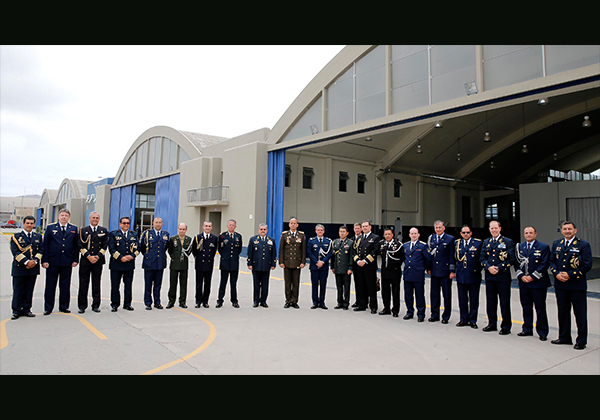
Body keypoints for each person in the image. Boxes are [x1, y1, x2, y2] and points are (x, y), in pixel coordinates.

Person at [549, 221, 592, 350]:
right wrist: (556, 273)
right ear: (561, 231)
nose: (567, 231)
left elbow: (587, 265)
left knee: (580, 314)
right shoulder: (557, 244)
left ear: (575, 230)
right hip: (560, 285)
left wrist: (570, 274)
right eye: (565, 229)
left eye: (570, 229)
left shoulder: (583, 245)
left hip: (576, 285)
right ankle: (564, 337)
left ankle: (581, 341)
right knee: (562, 312)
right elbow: (552, 261)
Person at [515, 226, 551, 341]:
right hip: (524, 282)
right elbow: (516, 263)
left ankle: (542, 331)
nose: (528, 235)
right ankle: (527, 329)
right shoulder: (520, 247)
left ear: (535, 234)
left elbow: (544, 264)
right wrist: (521, 276)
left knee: (540, 308)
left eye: (531, 233)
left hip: (538, 283)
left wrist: (532, 277)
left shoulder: (543, 247)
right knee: (526, 306)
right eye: (526, 233)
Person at [480, 220, 515, 335]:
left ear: (500, 228)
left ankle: (505, 326)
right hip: (490, 276)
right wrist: (488, 267)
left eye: (496, 228)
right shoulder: (486, 242)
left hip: (503, 276)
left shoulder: (507, 241)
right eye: (491, 228)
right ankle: (491, 324)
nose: (494, 230)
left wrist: (499, 268)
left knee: (504, 302)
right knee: (491, 302)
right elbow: (482, 258)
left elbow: (511, 259)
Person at [42, 208, 79, 315]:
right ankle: (48, 307)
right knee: (50, 285)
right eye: (62, 215)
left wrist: (75, 259)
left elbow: (75, 246)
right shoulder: (50, 228)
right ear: (58, 217)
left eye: (66, 216)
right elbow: (45, 245)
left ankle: (64, 306)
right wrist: (45, 260)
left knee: (65, 285)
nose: (64, 217)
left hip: (67, 262)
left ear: (69, 217)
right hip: (52, 262)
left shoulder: (73, 229)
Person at [10, 215, 43, 320]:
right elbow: (15, 252)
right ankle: (16, 310)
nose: (29, 225)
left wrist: (35, 261)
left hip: (33, 268)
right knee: (18, 290)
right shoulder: (16, 237)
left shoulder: (38, 237)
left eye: (31, 223)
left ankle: (27, 309)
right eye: (27, 223)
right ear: (23, 224)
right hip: (20, 267)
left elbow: (41, 250)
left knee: (29, 289)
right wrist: (27, 262)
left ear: (34, 224)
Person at [77, 211, 109, 313]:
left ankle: (96, 305)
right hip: (86, 261)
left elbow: (105, 245)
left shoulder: (103, 230)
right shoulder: (83, 230)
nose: (95, 219)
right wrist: (88, 256)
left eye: (97, 218)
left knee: (96, 283)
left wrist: (98, 256)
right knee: (83, 284)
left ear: (99, 219)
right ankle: (82, 306)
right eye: (93, 217)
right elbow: (80, 245)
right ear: (89, 219)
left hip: (98, 261)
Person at [427, 220, 455, 324]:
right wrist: (428, 268)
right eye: (436, 228)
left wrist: (452, 270)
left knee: (446, 295)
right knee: (434, 294)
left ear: (444, 228)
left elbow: (452, 256)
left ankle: (446, 316)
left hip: (445, 272)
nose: (438, 229)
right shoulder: (432, 238)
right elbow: (429, 256)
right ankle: (435, 314)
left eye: (440, 227)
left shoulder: (450, 239)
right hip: (434, 271)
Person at [454, 225, 482, 329]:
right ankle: (463, 319)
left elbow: (481, 259)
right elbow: (455, 258)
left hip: (473, 275)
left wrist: (476, 270)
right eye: (463, 232)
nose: (466, 234)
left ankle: (473, 320)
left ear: (471, 233)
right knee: (462, 299)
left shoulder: (478, 243)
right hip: (461, 275)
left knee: (474, 299)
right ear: (461, 234)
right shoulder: (457, 243)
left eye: (467, 232)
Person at [108, 216, 139, 312]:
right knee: (115, 285)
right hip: (116, 264)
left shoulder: (134, 234)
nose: (126, 225)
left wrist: (132, 256)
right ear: (120, 224)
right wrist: (121, 257)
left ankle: (127, 304)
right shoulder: (113, 234)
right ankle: (115, 304)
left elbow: (138, 248)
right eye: (124, 223)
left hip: (129, 264)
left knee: (128, 285)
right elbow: (111, 248)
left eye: (128, 223)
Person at [139, 217, 170, 310]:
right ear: (153, 223)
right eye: (156, 222)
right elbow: (142, 247)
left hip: (160, 263)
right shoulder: (147, 233)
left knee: (158, 285)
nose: (158, 224)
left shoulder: (165, 234)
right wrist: (148, 256)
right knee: (148, 284)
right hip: (149, 263)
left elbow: (166, 247)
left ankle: (157, 302)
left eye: (160, 222)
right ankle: (148, 302)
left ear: (162, 223)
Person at [402, 227, 432, 322]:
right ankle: (409, 312)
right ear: (409, 235)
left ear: (418, 235)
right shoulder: (405, 246)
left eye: (415, 233)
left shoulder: (423, 246)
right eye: (412, 233)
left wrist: (426, 269)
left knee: (419, 295)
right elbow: (404, 258)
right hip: (407, 274)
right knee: (408, 295)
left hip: (418, 274)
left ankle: (421, 313)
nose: (413, 235)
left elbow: (428, 259)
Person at [352, 220, 380, 313]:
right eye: (363, 227)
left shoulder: (375, 238)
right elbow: (354, 251)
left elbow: (375, 251)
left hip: (369, 266)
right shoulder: (359, 238)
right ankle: (362, 305)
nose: (364, 228)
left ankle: (373, 306)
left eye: (366, 226)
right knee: (361, 286)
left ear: (370, 227)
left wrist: (365, 261)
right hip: (360, 266)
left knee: (371, 287)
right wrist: (358, 261)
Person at [279, 217, 306, 309]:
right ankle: (288, 300)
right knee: (287, 283)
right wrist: (281, 261)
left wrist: (303, 262)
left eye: (295, 223)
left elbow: (303, 250)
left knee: (295, 283)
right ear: (289, 224)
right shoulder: (285, 235)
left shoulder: (301, 235)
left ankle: (294, 301)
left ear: (297, 225)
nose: (293, 225)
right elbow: (281, 249)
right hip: (287, 262)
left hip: (297, 262)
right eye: (291, 223)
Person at [247, 223, 277, 307]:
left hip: (266, 266)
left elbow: (273, 253)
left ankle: (263, 301)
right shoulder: (253, 239)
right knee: (256, 284)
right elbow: (250, 252)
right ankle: (256, 300)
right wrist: (249, 263)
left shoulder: (271, 240)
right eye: (261, 229)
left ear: (267, 230)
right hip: (256, 266)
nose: (263, 231)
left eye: (264, 229)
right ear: (258, 230)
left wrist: (273, 263)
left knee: (265, 284)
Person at [191, 220, 218, 308]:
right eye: (206, 226)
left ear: (211, 228)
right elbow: (194, 250)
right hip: (199, 264)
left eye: (209, 226)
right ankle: (198, 301)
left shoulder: (214, 238)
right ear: (203, 227)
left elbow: (213, 251)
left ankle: (205, 301)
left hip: (209, 264)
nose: (207, 227)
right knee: (199, 283)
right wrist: (198, 258)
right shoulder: (198, 237)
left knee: (207, 284)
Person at [217, 219, 243, 308]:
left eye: (233, 225)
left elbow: (239, 250)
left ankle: (234, 301)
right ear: (227, 226)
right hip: (225, 263)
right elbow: (220, 249)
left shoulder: (238, 236)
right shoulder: (222, 236)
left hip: (234, 264)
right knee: (223, 283)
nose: (231, 226)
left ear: (235, 226)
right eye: (230, 225)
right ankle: (220, 300)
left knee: (233, 283)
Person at [379, 228, 404, 317]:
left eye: (389, 234)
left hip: (395, 272)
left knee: (395, 291)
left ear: (392, 235)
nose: (387, 236)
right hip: (385, 272)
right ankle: (386, 308)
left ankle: (395, 310)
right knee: (385, 291)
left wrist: (396, 266)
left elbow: (401, 258)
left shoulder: (398, 245)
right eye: (386, 234)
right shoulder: (381, 244)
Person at [166, 222, 193, 309]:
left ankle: (182, 302)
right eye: (180, 229)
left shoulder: (189, 239)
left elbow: (189, 252)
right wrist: (175, 257)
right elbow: (170, 250)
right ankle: (171, 301)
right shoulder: (173, 239)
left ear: (186, 230)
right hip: (174, 264)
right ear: (178, 229)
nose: (182, 231)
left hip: (184, 265)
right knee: (173, 284)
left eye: (183, 229)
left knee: (183, 284)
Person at [307, 224, 333, 309]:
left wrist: (323, 261)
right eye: (318, 230)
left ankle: (322, 302)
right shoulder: (311, 241)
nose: (320, 231)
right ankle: (315, 302)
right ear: (315, 231)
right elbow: (309, 253)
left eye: (321, 230)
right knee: (314, 284)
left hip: (324, 267)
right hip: (314, 267)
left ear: (324, 231)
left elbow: (329, 253)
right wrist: (316, 262)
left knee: (323, 284)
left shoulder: (328, 241)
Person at [331, 225, 354, 310]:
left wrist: (350, 268)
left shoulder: (350, 243)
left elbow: (351, 256)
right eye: (340, 231)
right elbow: (333, 256)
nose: (342, 233)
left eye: (344, 232)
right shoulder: (335, 242)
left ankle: (346, 303)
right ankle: (339, 302)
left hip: (346, 269)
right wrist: (332, 267)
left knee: (346, 287)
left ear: (347, 233)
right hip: (337, 268)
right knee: (339, 286)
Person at [350, 222, 363, 308]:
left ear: (361, 229)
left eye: (358, 228)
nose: (357, 230)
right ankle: (358, 301)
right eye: (355, 228)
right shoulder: (351, 240)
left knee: (364, 285)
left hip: (364, 264)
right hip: (355, 264)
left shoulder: (364, 238)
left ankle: (364, 301)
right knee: (357, 284)